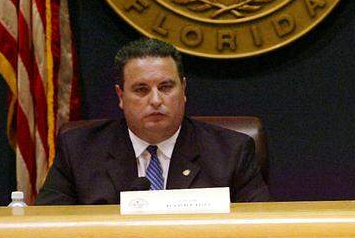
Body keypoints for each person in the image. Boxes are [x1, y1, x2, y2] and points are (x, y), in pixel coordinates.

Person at [37, 39, 269, 205]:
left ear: (183, 90)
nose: (156, 100)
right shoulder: (79, 150)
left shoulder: (231, 151)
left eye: (166, 87)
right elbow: (48, 227)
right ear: (121, 97)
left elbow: (260, 231)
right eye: (141, 90)